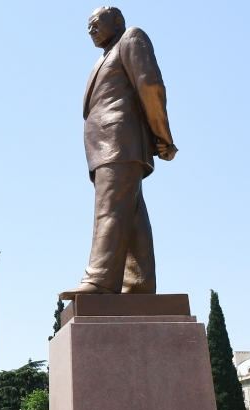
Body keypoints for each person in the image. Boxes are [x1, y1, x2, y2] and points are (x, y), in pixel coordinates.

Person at [60, 6, 177, 299]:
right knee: (132, 216)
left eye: (96, 24)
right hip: (108, 147)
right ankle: (139, 285)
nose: (91, 31)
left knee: (110, 209)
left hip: (119, 142)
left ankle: (100, 280)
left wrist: (161, 134)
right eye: (88, 27)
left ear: (118, 21)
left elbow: (150, 85)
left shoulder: (131, 38)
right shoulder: (105, 55)